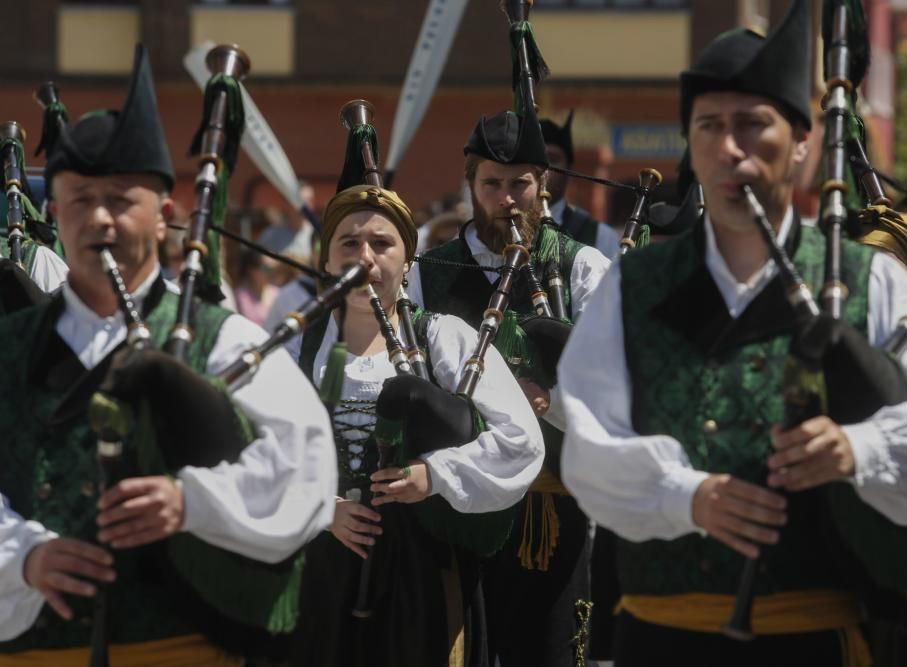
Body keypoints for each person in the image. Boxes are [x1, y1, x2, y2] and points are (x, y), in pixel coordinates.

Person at [557, 2, 907, 664]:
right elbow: (587, 449)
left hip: (814, 637)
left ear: (802, 141)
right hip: (662, 638)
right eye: (709, 126)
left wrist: (858, 447)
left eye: (751, 124)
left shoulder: (869, 280)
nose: (730, 147)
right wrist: (690, 495)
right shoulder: (632, 285)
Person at [0, 45, 336, 664]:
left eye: (123, 198)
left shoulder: (222, 336)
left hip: (182, 647)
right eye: (80, 199)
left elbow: (306, 465)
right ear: (53, 213)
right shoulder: (10, 347)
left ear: (166, 216)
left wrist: (193, 502)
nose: (100, 217)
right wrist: (24, 557)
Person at [288, 184, 543, 667]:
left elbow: (521, 440)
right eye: (349, 243)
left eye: (382, 244)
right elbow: (254, 445)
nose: (365, 257)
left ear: (408, 263)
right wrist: (323, 507)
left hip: (423, 564)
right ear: (325, 261)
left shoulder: (443, 337)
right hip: (320, 563)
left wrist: (435, 475)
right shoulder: (297, 345)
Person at [406, 110, 610, 666]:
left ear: (543, 185)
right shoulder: (428, 271)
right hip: (456, 510)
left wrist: (552, 402)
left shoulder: (582, 266)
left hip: (553, 513)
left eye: (519, 183)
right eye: (491, 184)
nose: (506, 198)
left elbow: (614, 389)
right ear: (470, 185)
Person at [540, 111, 619, 260]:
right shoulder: (503, 229)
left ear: (569, 170)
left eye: (553, 159)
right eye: (537, 160)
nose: (544, 170)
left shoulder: (600, 237)